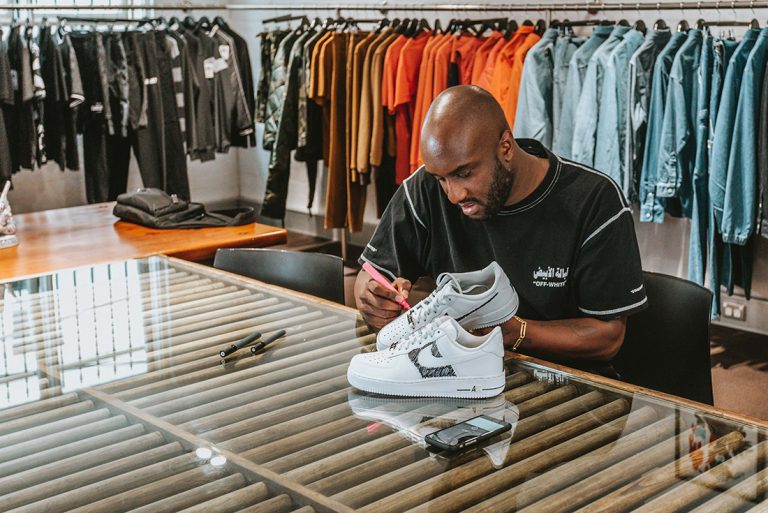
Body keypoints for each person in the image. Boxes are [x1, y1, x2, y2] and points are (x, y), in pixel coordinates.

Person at [354, 85, 647, 362]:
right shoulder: (424, 188)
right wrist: (374, 299)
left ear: (506, 147)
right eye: (441, 179)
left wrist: (515, 332)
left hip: (568, 381)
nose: (454, 195)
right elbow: (369, 276)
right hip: (457, 374)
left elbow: (608, 337)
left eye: (465, 174)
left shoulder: (593, 200)